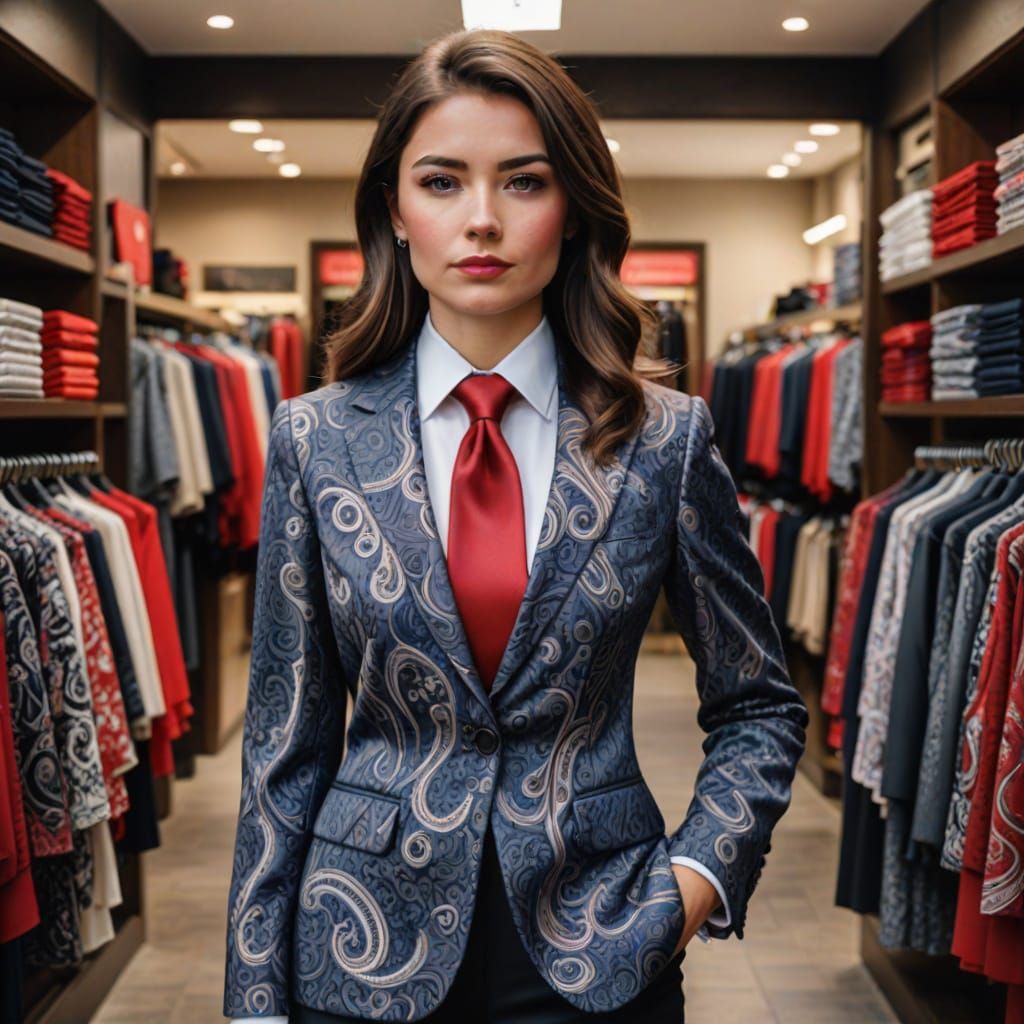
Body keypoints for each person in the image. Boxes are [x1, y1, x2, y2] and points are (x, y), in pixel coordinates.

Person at [223, 27, 808, 1024]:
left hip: (603, 942)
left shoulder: (664, 440)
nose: (482, 220)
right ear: (394, 212)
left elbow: (758, 705)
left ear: (574, 209)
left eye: (524, 182)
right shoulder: (315, 439)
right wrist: (254, 997)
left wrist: (692, 884)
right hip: (358, 942)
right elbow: (284, 743)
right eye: (442, 182)